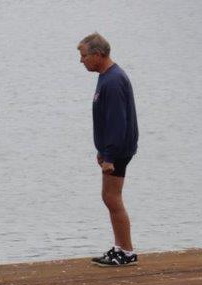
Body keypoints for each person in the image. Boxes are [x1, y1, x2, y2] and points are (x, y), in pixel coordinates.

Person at [78, 33, 140, 267]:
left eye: (84, 56)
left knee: (112, 197)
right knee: (110, 197)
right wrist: (102, 150)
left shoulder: (113, 81)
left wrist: (110, 156)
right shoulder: (106, 76)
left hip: (119, 150)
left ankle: (126, 251)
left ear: (98, 55)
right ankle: (120, 248)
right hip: (113, 149)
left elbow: (117, 122)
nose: (81, 61)